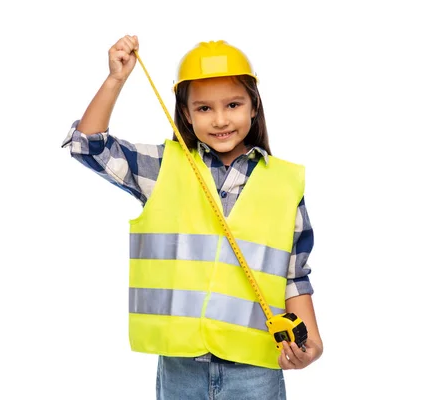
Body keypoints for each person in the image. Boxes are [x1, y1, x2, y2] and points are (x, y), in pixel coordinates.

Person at [62, 35, 323, 399]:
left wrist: (311, 343)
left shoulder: (285, 182)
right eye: (203, 109)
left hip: (257, 369)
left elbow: (293, 274)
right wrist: (115, 80)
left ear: (253, 106)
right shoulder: (163, 168)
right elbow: (87, 146)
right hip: (180, 368)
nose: (220, 120)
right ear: (185, 113)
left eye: (233, 104)